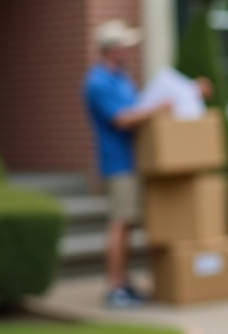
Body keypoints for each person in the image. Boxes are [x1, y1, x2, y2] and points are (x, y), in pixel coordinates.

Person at [83, 20, 214, 308]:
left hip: (136, 161)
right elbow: (123, 118)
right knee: (121, 222)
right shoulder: (97, 82)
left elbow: (139, 106)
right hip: (119, 164)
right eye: (125, 46)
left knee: (129, 223)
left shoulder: (120, 79)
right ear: (112, 49)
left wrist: (188, 92)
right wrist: (159, 107)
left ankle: (124, 282)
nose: (129, 51)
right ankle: (115, 287)